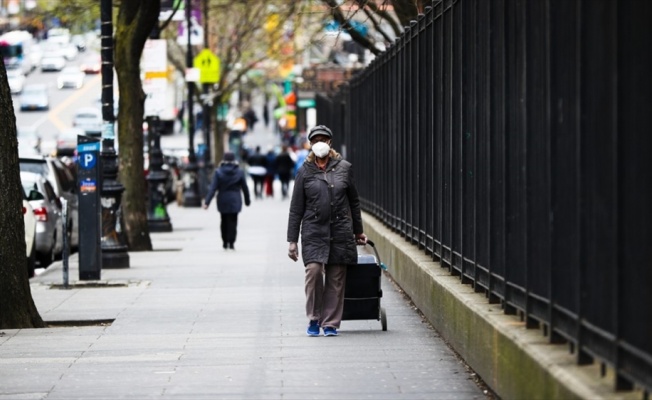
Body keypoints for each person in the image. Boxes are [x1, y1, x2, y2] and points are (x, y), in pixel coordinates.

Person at [287, 125, 368, 337]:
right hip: (313, 230)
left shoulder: (344, 168)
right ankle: (314, 318)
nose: (320, 143)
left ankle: (330, 323)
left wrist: (358, 232)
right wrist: (292, 240)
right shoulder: (304, 171)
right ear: (311, 144)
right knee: (313, 272)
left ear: (330, 142)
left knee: (336, 278)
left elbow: (354, 202)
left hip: (340, 230)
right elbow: (296, 208)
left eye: (323, 139)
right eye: (316, 140)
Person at [203, 152, 251, 250]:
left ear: (224, 160)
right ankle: (231, 242)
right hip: (235, 199)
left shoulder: (218, 172)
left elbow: (213, 188)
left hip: (222, 199)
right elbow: (245, 188)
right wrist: (247, 200)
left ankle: (225, 242)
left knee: (223, 220)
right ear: (234, 160)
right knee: (233, 221)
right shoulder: (239, 171)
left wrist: (207, 202)